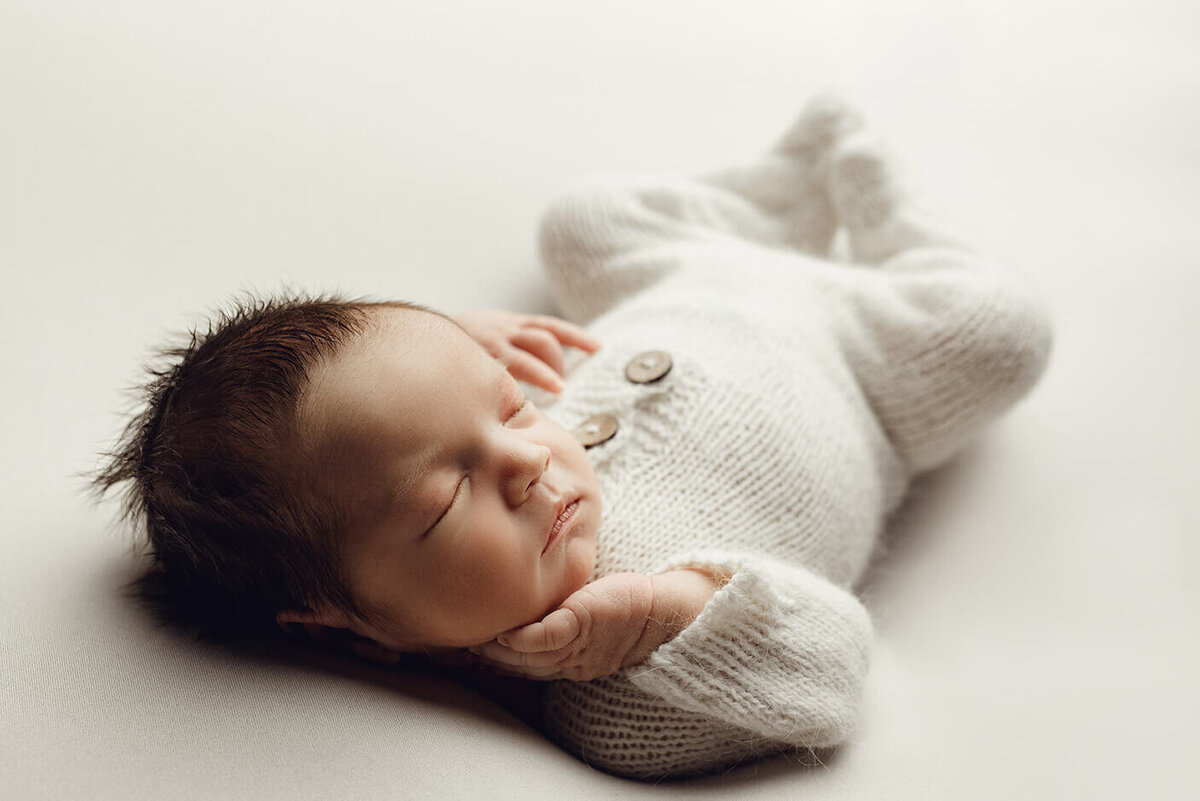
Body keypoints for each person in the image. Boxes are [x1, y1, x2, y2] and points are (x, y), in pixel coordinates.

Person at [96, 97, 1052, 780]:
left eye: (510, 405)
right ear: (345, 620)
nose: (524, 459)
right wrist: (673, 611)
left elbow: (376, 393)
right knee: (999, 335)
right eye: (443, 502)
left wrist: (454, 348)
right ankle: (876, 196)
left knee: (582, 220)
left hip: (680, 281)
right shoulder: (618, 698)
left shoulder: (438, 440)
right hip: (868, 362)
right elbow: (830, 662)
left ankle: (786, 186)